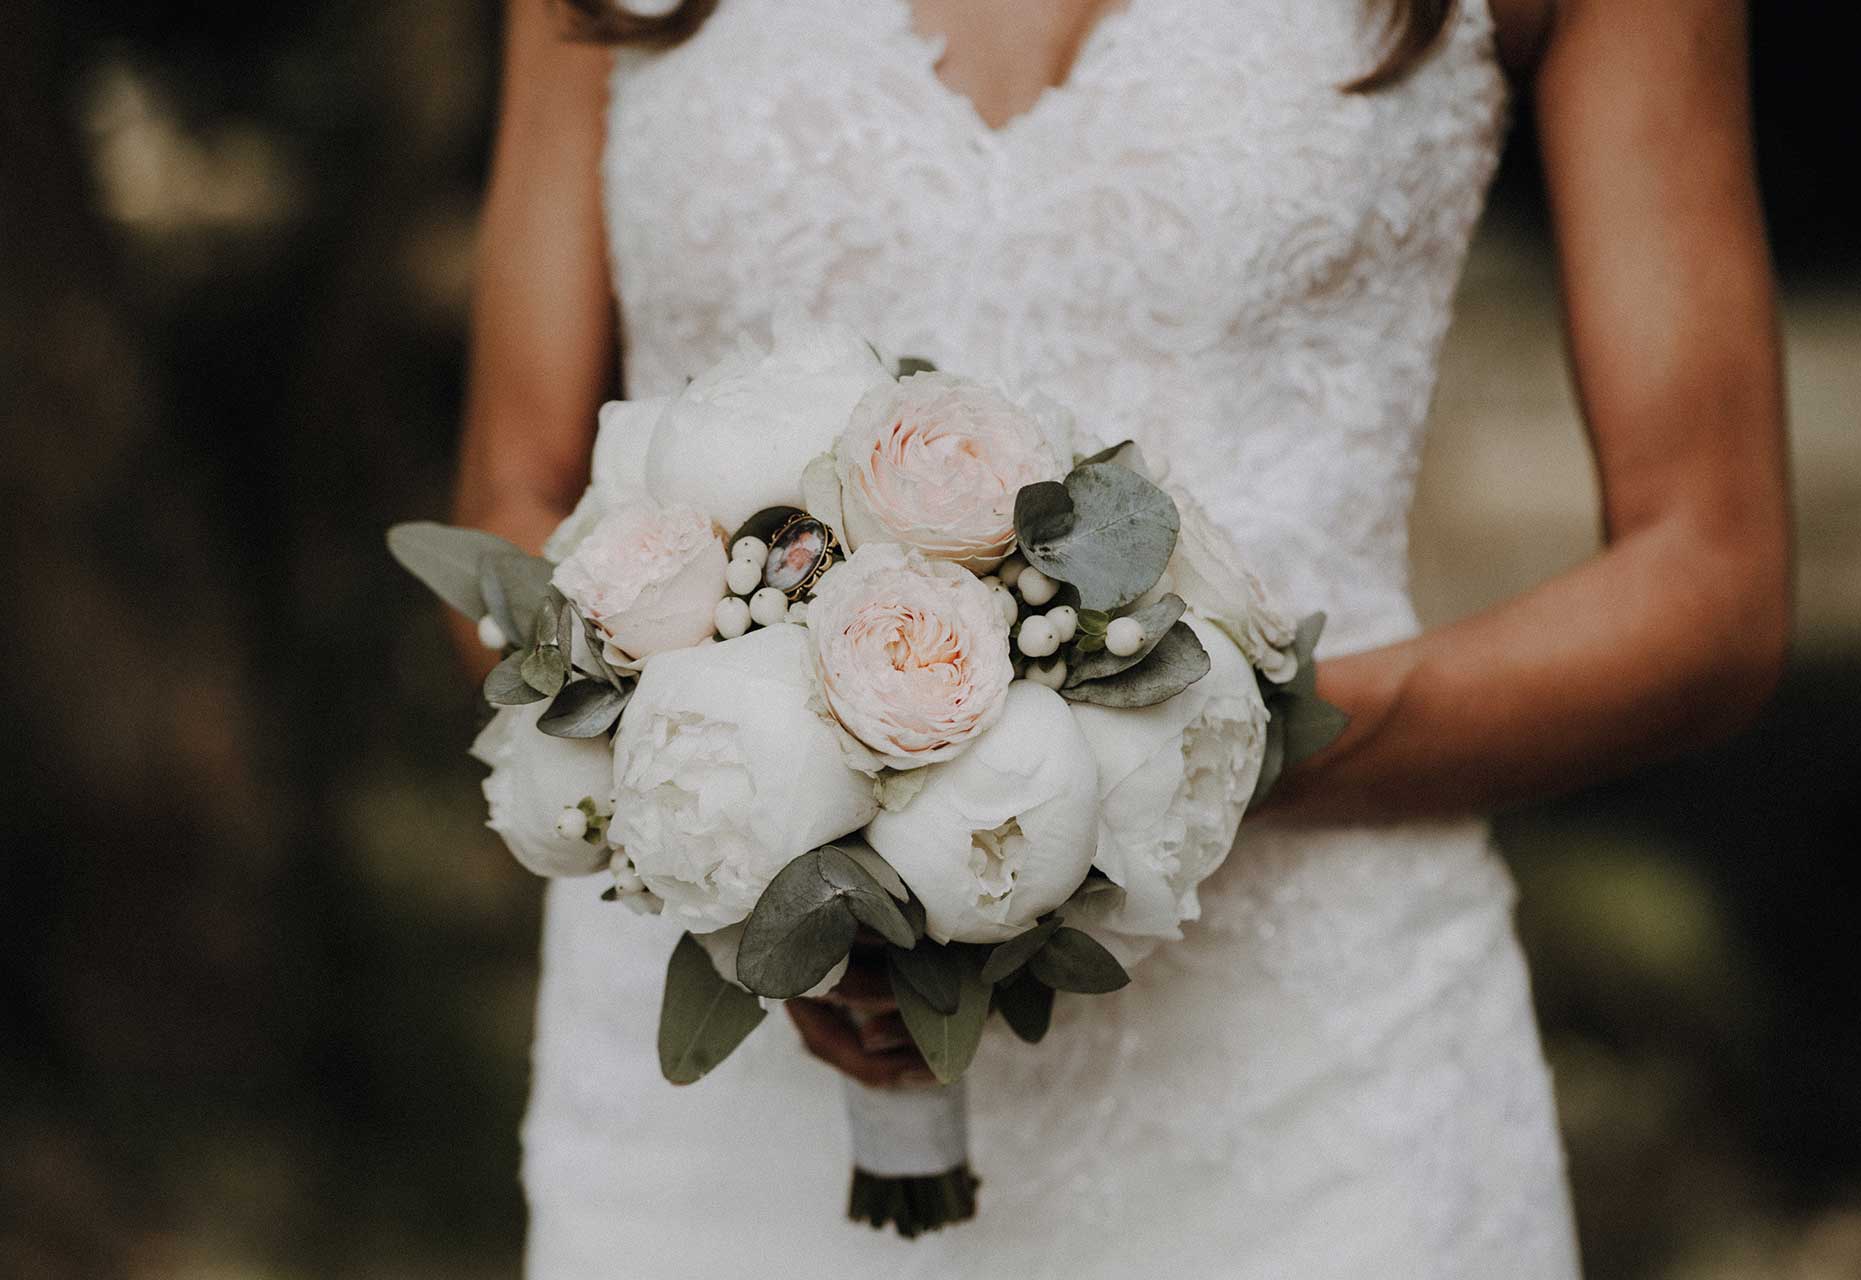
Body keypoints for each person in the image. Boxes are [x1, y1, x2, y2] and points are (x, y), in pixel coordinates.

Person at [451, 0, 1789, 1273]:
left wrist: (1155, 764)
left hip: (1307, 1104)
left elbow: (1709, 584)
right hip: (714, 1140)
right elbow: (510, 502)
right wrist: (771, 839)